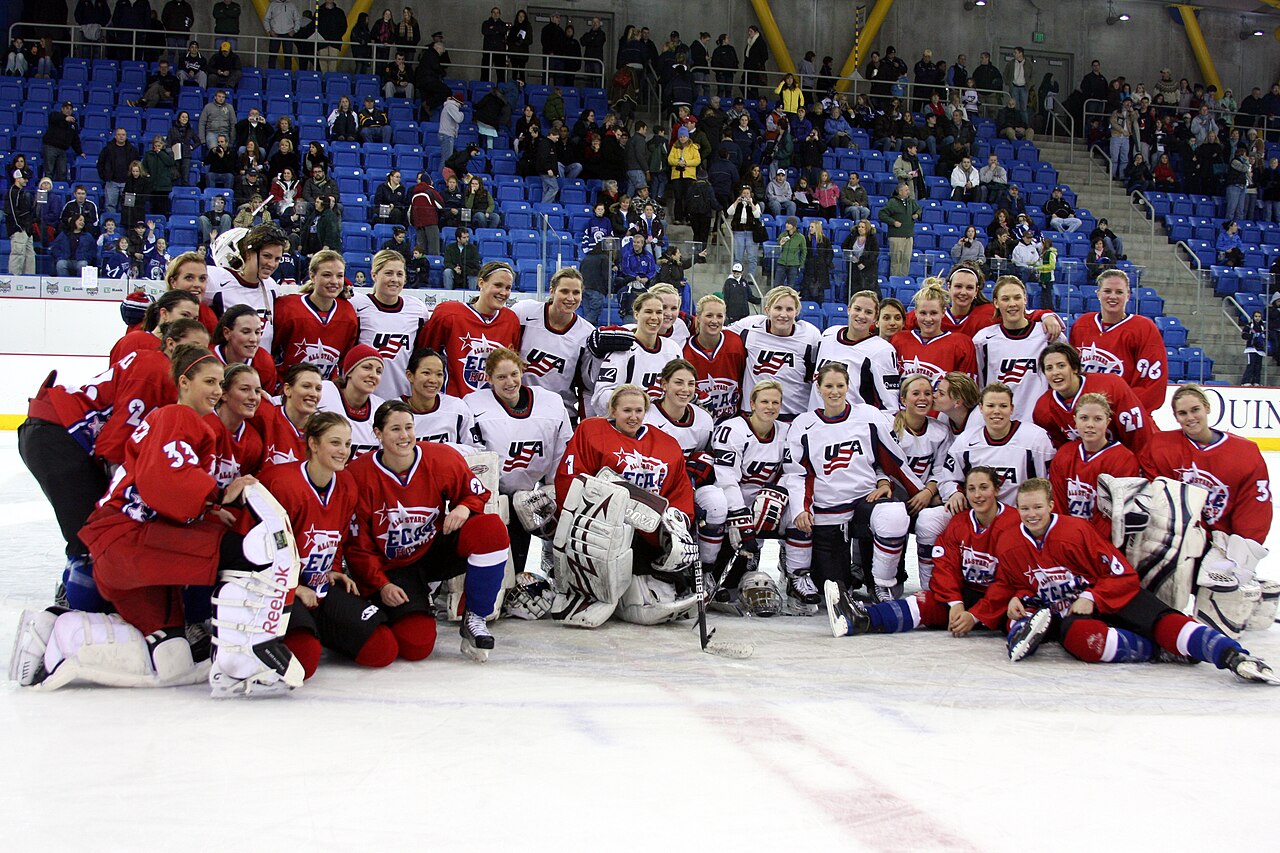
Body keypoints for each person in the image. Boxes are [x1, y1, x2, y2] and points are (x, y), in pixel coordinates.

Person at [12, 344, 305, 695]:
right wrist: (216, 494)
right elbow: (163, 480)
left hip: (125, 551)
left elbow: (165, 486)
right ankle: (245, 654)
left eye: (219, 383)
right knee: (245, 551)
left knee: (171, 657)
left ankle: (56, 627)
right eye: (208, 381)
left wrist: (211, 508)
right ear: (184, 382)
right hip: (129, 541)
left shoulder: (177, 421)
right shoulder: (177, 417)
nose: (216, 390)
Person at [967, 478, 1277, 684]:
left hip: (1111, 596)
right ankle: (1158, 651)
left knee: (1164, 622)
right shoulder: (1009, 541)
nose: (1031, 514)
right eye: (1024, 508)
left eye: (1037, 507)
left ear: (1050, 505)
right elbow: (1014, 581)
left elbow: (1122, 575)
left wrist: (1092, 597)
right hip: (1069, 614)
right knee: (1082, 640)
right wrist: (1016, 597)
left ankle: (1231, 655)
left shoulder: (1075, 532)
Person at [18, 319, 209, 611]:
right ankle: (72, 614)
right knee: (92, 536)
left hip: (53, 431)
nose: (199, 355)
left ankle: (75, 605)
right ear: (171, 344)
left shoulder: (155, 366)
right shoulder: (156, 368)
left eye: (204, 349)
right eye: (193, 346)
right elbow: (114, 442)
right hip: (58, 435)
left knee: (92, 533)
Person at [344, 401, 509, 660]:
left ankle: (475, 616)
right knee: (416, 646)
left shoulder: (440, 458)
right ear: (378, 433)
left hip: (433, 551)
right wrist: (381, 584)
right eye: (395, 429)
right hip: (394, 568)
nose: (404, 435)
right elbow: (357, 546)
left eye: (409, 427)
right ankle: (403, 603)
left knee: (490, 529)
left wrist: (464, 507)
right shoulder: (358, 475)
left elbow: (475, 493)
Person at [783, 362, 922, 605]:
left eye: (840, 385)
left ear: (848, 386)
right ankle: (802, 572)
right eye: (829, 386)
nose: (834, 391)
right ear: (818, 388)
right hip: (828, 509)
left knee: (894, 515)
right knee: (834, 592)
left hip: (865, 501)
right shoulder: (803, 424)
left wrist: (919, 492)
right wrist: (801, 508)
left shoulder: (868, 416)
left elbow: (892, 460)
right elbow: (797, 473)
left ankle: (883, 583)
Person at [825, 466, 1017, 638]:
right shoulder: (959, 522)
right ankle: (860, 618)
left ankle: (1021, 631)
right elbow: (945, 566)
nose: (977, 495)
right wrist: (955, 602)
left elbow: (1009, 581)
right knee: (924, 601)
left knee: (1016, 611)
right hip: (968, 595)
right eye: (972, 489)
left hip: (1001, 599)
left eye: (984, 488)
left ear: (996, 490)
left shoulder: (1012, 524)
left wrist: (974, 616)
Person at [642, 359, 728, 580]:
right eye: (678, 382)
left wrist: (695, 475)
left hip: (686, 487)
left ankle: (705, 571)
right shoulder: (647, 415)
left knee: (716, 502)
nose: (685, 389)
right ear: (664, 384)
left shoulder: (703, 419)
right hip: (652, 487)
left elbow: (706, 457)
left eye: (691, 384)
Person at [415, 262, 521, 398]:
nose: (503, 292)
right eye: (498, 285)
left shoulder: (510, 320)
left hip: (494, 404)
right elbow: (422, 358)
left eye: (508, 288)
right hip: (453, 403)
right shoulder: (448, 314)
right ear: (481, 283)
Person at [1068, 270, 1167, 412]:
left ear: (1128, 295)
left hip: (1124, 413)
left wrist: (1119, 407)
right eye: (1107, 291)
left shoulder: (1144, 328)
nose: (1113, 296)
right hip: (1085, 413)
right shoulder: (1082, 325)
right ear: (1098, 293)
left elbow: (1152, 386)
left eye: (1119, 292)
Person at [1048, 394, 1142, 538]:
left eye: (1097, 419)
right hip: (1068, 535)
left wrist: (1089, 541)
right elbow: (1058, 503)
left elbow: (1111, 514)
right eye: (1084, 418)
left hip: (1103, 541)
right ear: (1075, 420)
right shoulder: (1065, 453)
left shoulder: (1123, 459)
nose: (1090, 424)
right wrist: (1065, 535)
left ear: (1107, 422)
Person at [729, 285, 821, 420]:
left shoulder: (810, 335)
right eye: (778, 308)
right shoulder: (749, 327)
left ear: (796, 312)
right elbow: (718, 333)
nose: (783, 315)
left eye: (789, 309)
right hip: (753, 416)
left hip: (794, 417)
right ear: (767, 310)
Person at [972, 277, 1059, 419]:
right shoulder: (983, 340)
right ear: (996, 303)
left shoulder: (1047, 334)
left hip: (1039, 422)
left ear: (1025, 299)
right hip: (998, 422)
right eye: (1005, 299)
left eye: (1017, 297)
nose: (1012, 304)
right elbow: (980, 384)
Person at [511, 268, 594, 418]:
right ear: (552, 291)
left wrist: (585, 423)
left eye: (576, 293)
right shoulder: (524, 312)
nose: (570, 298)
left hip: (559, 413)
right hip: (517, 407)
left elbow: (586, 387)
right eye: (564, 291)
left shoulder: (587, 334)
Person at [587, 289, 683, 416]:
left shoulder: (673, 349)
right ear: (636, 314)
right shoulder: (622, 348)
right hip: (629, 422)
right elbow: (601, 397)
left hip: (663, 421)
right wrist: (633, 403)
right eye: (648, 312)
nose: (654, 317)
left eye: (659, 312)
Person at [271, 251, 358, 382]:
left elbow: (343, 362)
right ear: (312, 276)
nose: (334, 281)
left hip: (324, 388)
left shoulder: (347, 313)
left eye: (339, 276)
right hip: (286, 388)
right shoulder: (287, 307)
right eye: (327, 275)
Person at [204, 223, 286, 357]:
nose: (272, 264)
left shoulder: (271, 287)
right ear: (248, 254)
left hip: (261, 366)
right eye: (267, 256)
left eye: (277, 259)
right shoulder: (216, 281)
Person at [812, 290, 899, 412]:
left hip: (853, 422)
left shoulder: (881, 350)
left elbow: (890, 405)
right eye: (857, 309)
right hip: (815, 418)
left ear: (875, 317)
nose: (861, 316)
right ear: (849, 309)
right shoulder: (829, 335)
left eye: (868, 312)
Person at [892, 279, 978, 385]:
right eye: (923, 313)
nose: (928, 319)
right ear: (915, 312)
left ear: (943, 312)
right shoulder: (899, 340)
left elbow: (966, 389)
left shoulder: (960, 344)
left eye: (933, 313)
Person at [210, 305, 278, 399]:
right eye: (246, 332)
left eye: (257, 332)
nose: (253, 339)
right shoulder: (208, 359)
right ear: (227, 333)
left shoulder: (264, 362)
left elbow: (264, 402)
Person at [878, 182, 921, 277]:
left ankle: (903, 279)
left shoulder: (911, 202)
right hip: (896, 236)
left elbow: (919, 209)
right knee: (896, 260)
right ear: (900, 192)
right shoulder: (892, 202)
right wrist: (893, 222)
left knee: (906, 259)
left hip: (908, 236)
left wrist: (917, 214)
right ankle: (895, 279)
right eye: (906, 190)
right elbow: (882, 214)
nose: (908, 192)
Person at [842, 219, 880, 297]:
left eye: (863, 227)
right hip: (854, 267)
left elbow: (875, 253)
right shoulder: (852, 236)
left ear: (867, 228)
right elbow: (844, 246)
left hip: (868, 269)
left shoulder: (872, 239)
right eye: (859, 227)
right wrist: (852, 257)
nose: (860, 229)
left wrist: (864, 264)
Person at [442, 226, 481, 290]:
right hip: (455, 272)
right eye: (464, 238)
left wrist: (462, 268)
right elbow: (447, 262)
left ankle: (472, 294)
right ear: (458, 238)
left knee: (474, 275)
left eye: (468, 237)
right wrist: (454, 268)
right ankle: (448, 292)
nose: (467, 239)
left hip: (468, 272)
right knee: (447, 271)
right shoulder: (450, 247)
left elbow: (475, 263)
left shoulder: (472, 248)